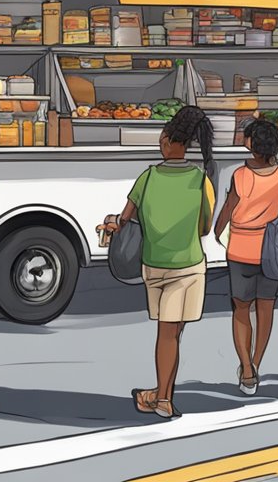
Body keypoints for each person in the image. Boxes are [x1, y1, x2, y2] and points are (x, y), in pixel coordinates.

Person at [103, 105, 216, 419]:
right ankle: (160, 394)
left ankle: (162, 398)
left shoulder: (148, 177)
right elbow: (205, 227)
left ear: (166, 140)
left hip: (157, 264)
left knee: (167, 334)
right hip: (191, 264)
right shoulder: (201, 179)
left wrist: (112, 223)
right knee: (173, 333)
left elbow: (125, 218)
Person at [213, 117, 278, 396]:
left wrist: (217, 230)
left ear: (253, 145)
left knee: (241, 309)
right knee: (265, 309)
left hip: (241, 250)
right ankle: (257, 362)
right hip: (270, 251)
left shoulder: (239, 175)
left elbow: (228, 210)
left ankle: (246, 369)